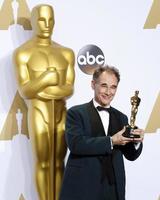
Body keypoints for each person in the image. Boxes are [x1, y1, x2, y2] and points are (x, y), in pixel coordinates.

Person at [13, 4, 75, 200]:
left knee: (59, 162)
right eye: (41, 19)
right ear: (32, 22)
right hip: (38, 112)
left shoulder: (66, 53)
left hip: (60, 113)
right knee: (42, 162)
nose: (46, 24)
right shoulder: (23, 53)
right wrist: (46, 79)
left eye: (50, 20)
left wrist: (41, 89)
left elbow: (69, 88)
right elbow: (25, 90)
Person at [60, 66, 144, 200]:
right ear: (93, 85)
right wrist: (111, 141)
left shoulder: (121, 118)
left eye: (113, 87)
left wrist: (137, 142)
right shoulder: (75, 113)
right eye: (104, 86)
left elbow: (130, 155)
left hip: (113, 189)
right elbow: (76, 144)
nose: (109, 92)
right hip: (83, 188)